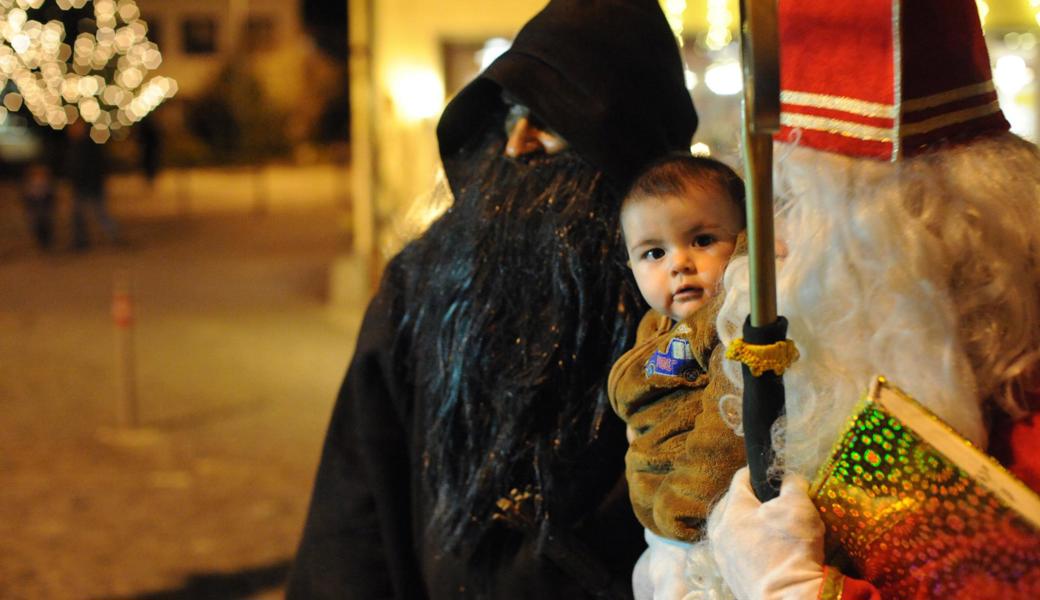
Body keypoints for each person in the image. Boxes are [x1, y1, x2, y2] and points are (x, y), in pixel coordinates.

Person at [286, 1, 698, 598]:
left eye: (547, 123)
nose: (516, 145)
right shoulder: (426, 279)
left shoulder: (686, 300)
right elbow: (356, 508)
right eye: (510, 117)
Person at [650, 1, 1040, 598]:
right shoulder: (829, 373)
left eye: (797, 206)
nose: (770, 245)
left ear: (911, 236)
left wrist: (796, 589)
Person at [608, 154, 749, 599]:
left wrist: (686, 504)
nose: (679, 264)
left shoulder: (731, 320)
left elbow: (729, 421)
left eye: (703, 240)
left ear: (743, 242)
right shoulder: (656, 327)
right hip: (660, 521)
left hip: (708, 519)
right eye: (653, 252)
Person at [65, 119, 120, 249]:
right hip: (80, 186)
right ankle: (80, 241)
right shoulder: (73, 146)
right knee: (78, 215)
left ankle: (114, 235)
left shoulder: (89, 146)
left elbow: (96, 166)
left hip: (92, 185)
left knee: (100, 213)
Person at [20, 161, 56, 251]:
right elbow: (26, 197)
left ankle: (47, 241)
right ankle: (41, 241)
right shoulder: (29, 184)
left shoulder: (47, 183)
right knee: (37, 225)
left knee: (46, 224)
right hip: (35, 207)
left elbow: (51, 196)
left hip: (44, 207)